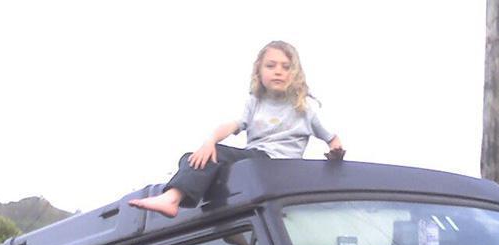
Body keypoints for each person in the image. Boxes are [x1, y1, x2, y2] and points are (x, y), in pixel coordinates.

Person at [129, 40, 345, 218]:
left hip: (278, 165)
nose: (278, 71)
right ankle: (230, 228)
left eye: (285, 67)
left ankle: (172, 199)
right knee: (194, 158)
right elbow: (233, 125)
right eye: (270, 66)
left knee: (214, 157)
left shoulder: (303, 109)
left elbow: (332, 138)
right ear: (259, 72)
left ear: (294, 73)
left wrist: (336, 152)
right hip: (255, 163)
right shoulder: (255, 103)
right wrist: (210, 141)